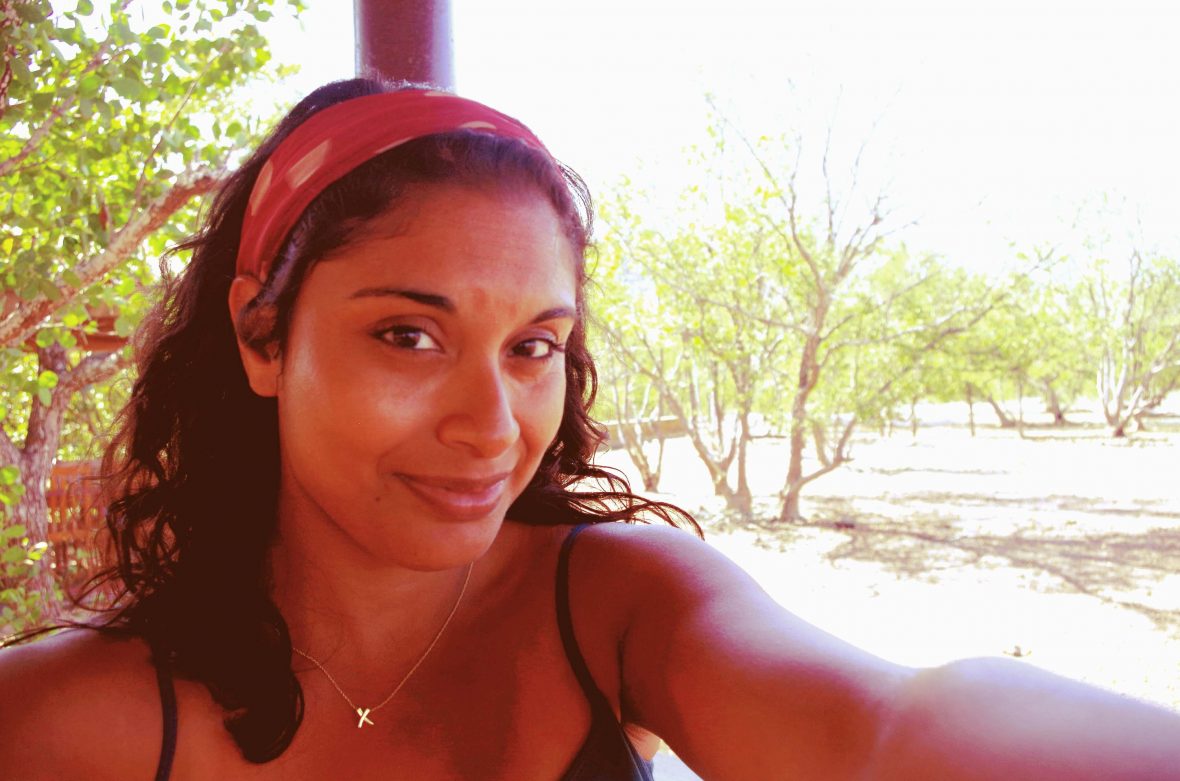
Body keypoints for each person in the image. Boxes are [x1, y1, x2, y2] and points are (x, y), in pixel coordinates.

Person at [1, 78, 1178, 781]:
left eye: (533, 348)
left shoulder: (614, 608)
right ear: (264, 341)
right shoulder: (68, 719)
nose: (490, 424)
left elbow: (884, 727)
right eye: (409, 336)